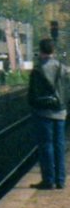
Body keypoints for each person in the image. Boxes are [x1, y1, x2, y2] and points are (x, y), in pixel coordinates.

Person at [28, 37, 67, 190]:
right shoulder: (62, 68)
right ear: (53, 51)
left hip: (43, 112)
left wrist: (34, 105)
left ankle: (48, 180)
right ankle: (61, 180)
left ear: (41, 51)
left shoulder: (37, 70)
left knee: (46, 146)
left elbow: (32, 94)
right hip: (60, 112)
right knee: (59, 145)